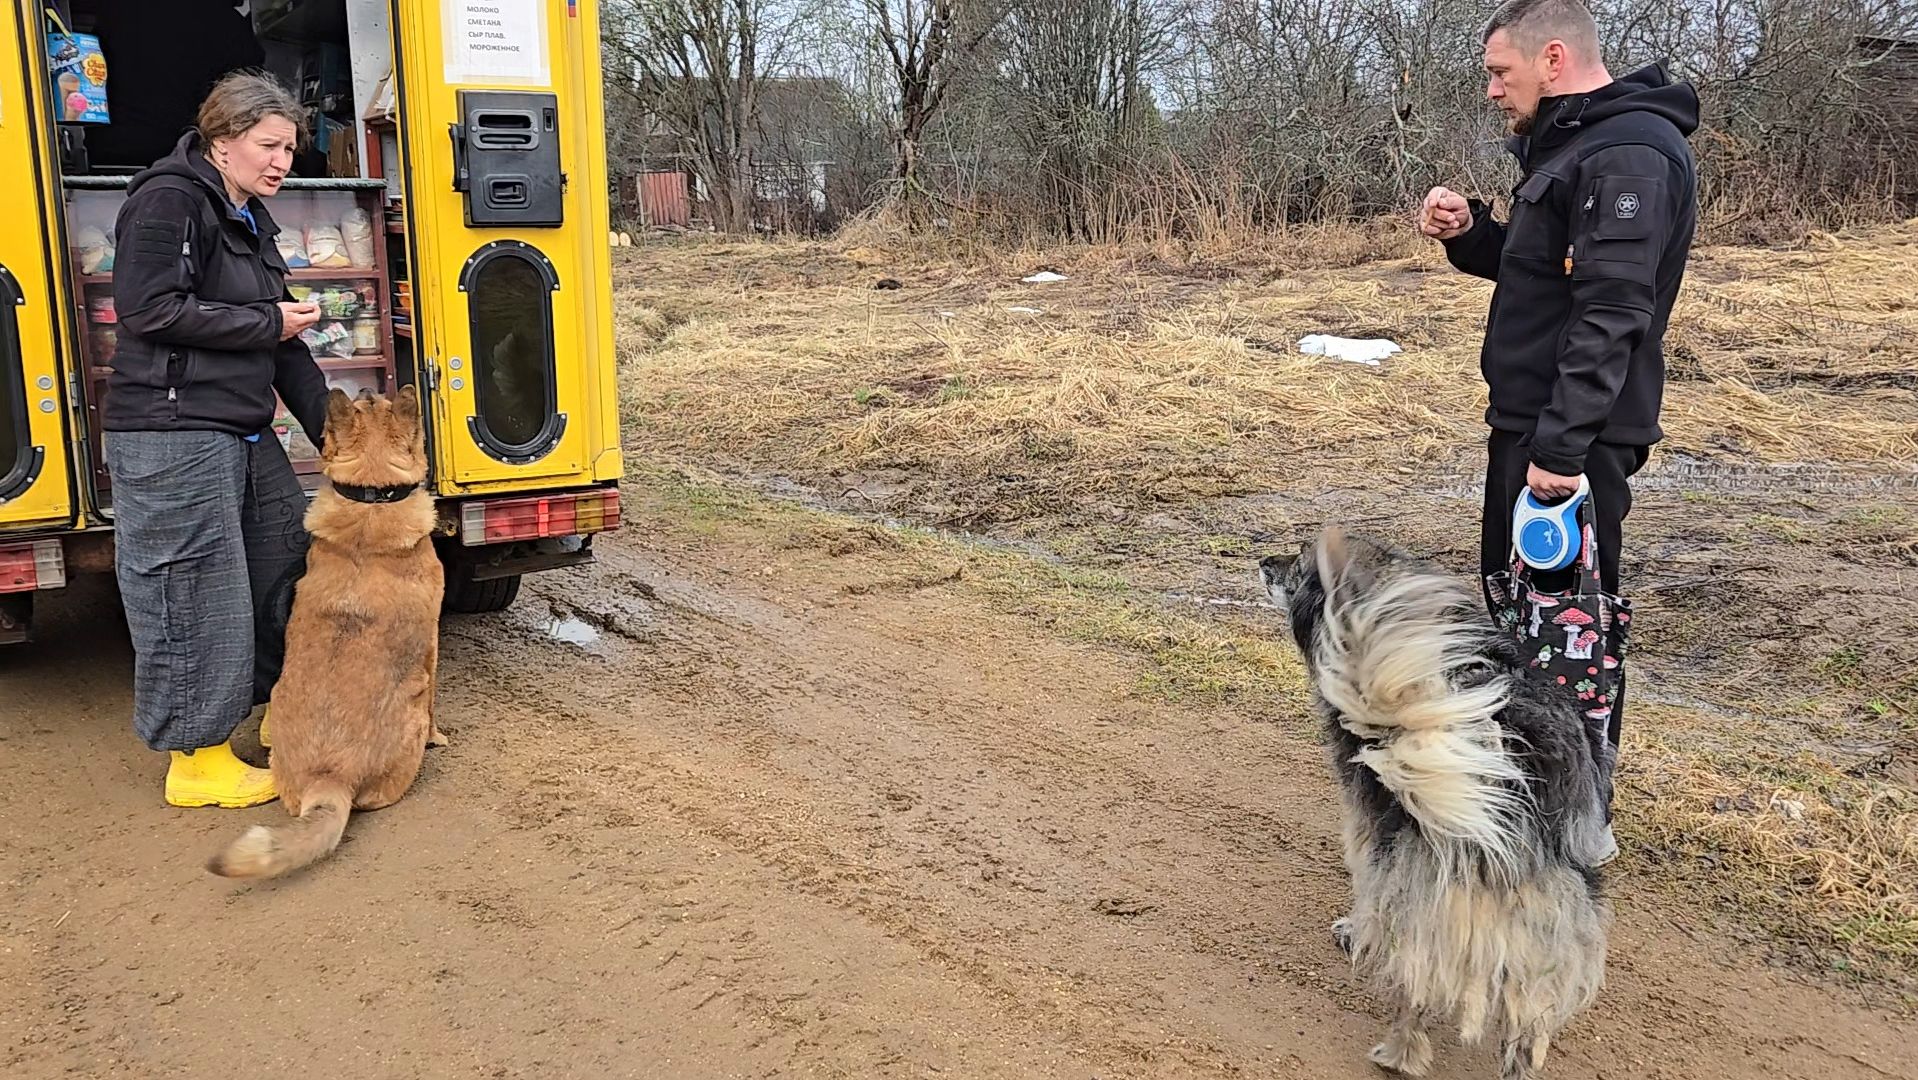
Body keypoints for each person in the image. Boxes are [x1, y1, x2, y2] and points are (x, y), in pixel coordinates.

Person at [1421, 0, 1698, 844]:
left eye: (1499, 72)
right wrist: (1473, 234)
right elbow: (1546, 274)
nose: (1492, 90)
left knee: (1570, 635)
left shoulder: (1629, 154)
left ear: (1552, 58)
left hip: (1570, 444)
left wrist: (1561, 448)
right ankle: (1530, 805)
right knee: (1525, 624)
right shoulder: (1578, 146)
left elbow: (1613, 310)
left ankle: (1576, 828)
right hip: (1536, 428)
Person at [105, 71, 329, 808]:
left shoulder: (247, 216)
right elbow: (148, 310)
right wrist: (268, 322)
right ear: (223, 139)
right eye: (269, 146)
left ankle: (271, 712)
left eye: (289, 150)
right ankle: (197, 761)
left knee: (282, 558)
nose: (282, 162)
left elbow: (283, 343)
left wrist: (339, 438)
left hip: (240, 427)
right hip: (171, 431)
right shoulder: (168, 200)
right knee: (189, 590)